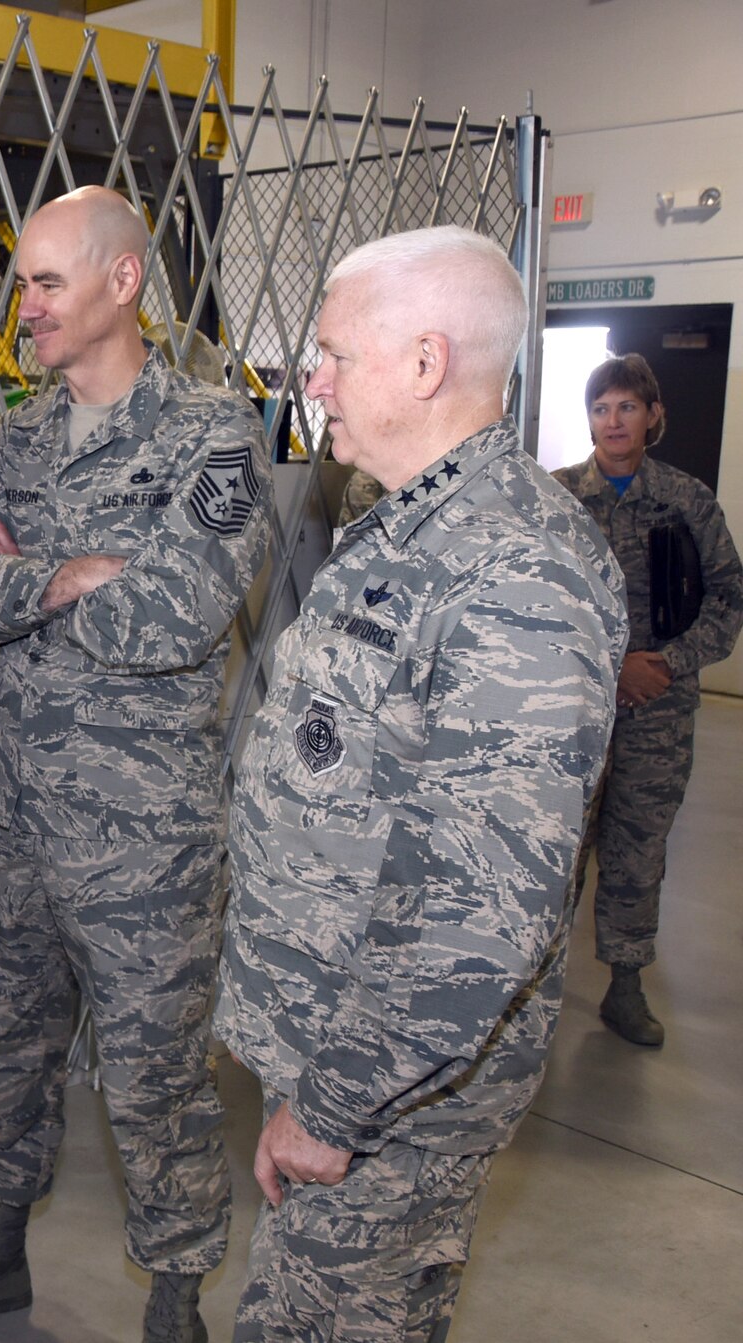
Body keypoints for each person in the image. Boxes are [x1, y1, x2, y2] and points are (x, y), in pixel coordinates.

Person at [218, 226, 626, 1342]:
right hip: (346, 1043)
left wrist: (335, 1100)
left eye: (331, 353)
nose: (309, 378)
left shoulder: (514, 572)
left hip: (394, 1084)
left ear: (423, 363)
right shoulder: (399, 518)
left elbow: (476, 903)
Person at [0, 186, 272, 1343]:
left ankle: (173, 1300)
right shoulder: (19, 431)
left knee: (154, 1075)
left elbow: (178, 618)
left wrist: (28, 571)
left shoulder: (211, 434)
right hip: (6, 808)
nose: (24, 307)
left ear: (121, 280)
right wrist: (64, 573)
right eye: (20, 285)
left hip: (140, 830)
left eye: (45, 283)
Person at [552, 354, 743, 1046]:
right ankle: (531, 990)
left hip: (658, 710)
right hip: (575, 705)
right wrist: (613, 666)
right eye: (602, 407)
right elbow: (532, 604)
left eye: (627, 406)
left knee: (638, 845)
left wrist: (667, 663)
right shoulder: (560, 498)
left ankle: (625, 986)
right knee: (557, 845)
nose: (613, 420)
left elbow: (728, 597)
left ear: (653, 416)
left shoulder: (686, 501)